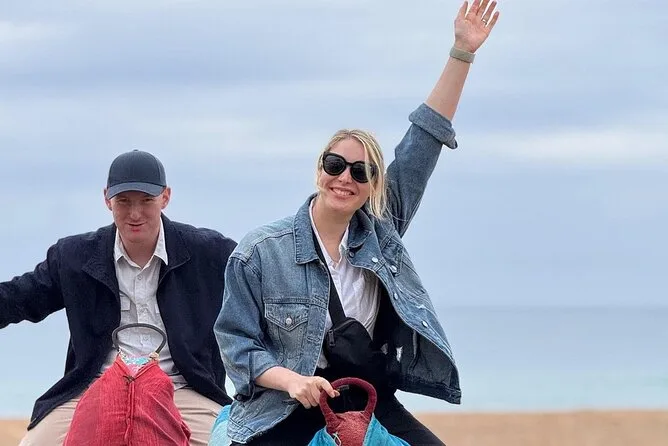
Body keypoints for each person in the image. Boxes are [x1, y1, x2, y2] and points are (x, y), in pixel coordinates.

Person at [214, 1, 500, 444]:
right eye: (335, 164)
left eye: (361, 171)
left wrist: (462, 52)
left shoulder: (381, 233)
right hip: (287, 404)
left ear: (374, 185)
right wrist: (293, 381)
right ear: (319, 170)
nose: (345, 178)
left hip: (366, 394)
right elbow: (237, 345)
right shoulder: (259, 252)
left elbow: (424, 141)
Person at [0, 149, 237, 445]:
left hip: (182, 388)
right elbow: (19, 297)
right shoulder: (73, 257)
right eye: (124, 201)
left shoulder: (212, 253)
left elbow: (260, 296)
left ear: (165, 197)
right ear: (107, 199)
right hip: (93, 385)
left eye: (146, 200)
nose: (135, 213)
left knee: (231, 442)